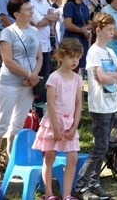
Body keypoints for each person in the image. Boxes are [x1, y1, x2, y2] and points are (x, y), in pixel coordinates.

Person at [0, 0, 43, 181]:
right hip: (10, 84)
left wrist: (33, 76)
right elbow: (8, 61)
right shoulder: (7, 33)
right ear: (16, 14)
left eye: (31, 8)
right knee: (2, 124)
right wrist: (29, 75)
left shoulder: (35, 31)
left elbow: (39, 57)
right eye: (27, 9)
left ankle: (12, 161)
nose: (31, 11)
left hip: (28, 85)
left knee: (18, 125)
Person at [74, 13, 117, 200]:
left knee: (104, 147)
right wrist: (113, 74)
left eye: (114, 29)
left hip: (112, 104)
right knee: (100, 147)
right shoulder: (94, 52)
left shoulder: (110, 52)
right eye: (110, 30)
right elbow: (105, 78)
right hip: (100, 106)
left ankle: (94, 182)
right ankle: (81, 185)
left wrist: (110, 74)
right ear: (98, 30)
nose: (113, 33)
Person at [32, 38, 83, 200]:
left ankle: (66, 194)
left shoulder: (77, 79)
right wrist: (55, 128)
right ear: (61, 57)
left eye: (77, 57)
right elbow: (51, 105)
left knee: (73, 158)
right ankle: (48, 194)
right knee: (49, 157)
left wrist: (75, 126)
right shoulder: (54, 77)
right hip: (53, 123)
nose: (75, 60)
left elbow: (78, 103)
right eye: (71, 57)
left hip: (70, 124)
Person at [62, 0, 92, 71]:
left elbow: (89, 22)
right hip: (72, 39)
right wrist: (81, 30)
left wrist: (86, 28)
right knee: (70, 64)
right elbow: (68, 24)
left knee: (79, 65)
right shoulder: (69, 5)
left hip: (83, 39)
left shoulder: (84, 6)